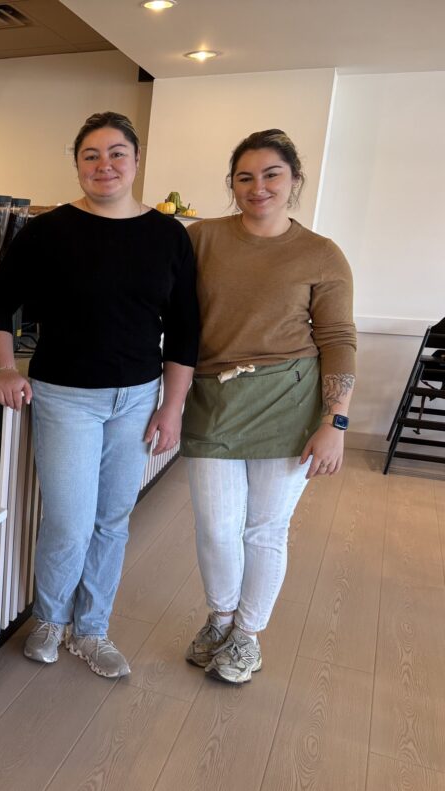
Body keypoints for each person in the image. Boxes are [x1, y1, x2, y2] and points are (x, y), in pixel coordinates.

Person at [0, 112, 199, 678]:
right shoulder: (47, 232)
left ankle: (92, 629)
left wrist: (172, 407)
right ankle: (51, 619)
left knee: (113, 520)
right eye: (91, 155)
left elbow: (185, 330)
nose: (105, 165)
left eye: (117, 153)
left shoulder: (168, 236)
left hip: (138, 398)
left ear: (137, 160)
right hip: (66, 398)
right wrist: (4, 368)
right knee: (70, 522)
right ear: (77, 163)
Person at [181, 129, 357, 684]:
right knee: (216, 527)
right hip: (212, 397)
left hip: (290, 401)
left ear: (294, 180)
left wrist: (335, 421)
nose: (258, 187)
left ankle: (247, 636)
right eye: (245, 177)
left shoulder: (321, 253)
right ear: (232, 184)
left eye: (272, 175)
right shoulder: (201, 239)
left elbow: (338, 339)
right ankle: (220, 618)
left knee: (264, 529)